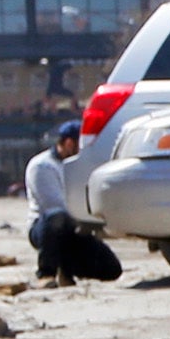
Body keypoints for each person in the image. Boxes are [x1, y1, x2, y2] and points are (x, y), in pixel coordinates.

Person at [25, 120, 121, 285]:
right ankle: (46, 274)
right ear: (69, 143)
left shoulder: (80, 166)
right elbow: (53, 204)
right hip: (46, 227)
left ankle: (67, 269)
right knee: (58, 217)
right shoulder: (42, 166)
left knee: (111, 269)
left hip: (77, 227)